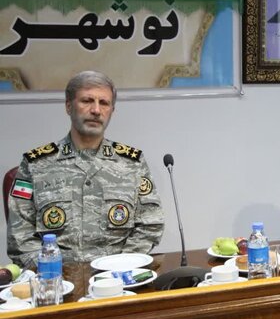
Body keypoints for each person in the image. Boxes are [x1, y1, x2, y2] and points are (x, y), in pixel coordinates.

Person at [7, 71, 164, 265]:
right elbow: (20, 236)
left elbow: (150, 224)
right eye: (87, 101)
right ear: (68, 106)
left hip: (118, 275)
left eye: (104, 103)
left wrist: (121, 266)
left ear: (112, 111)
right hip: (56, 276)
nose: (96, 110)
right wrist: (52, 271)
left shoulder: (133, 163)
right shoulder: (35, 164)